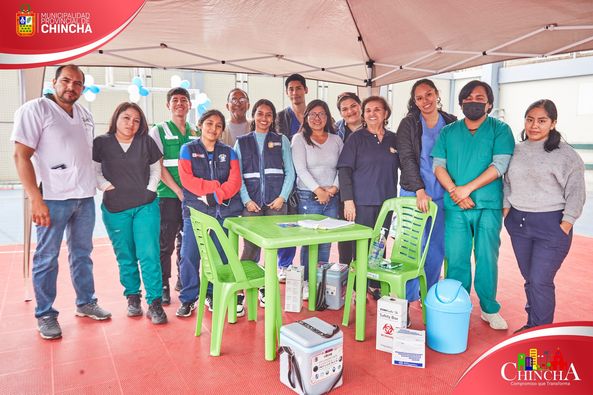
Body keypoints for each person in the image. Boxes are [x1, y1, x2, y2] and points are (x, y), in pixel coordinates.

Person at [12, 64, 111, 340]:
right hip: (52, 199)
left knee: (82, 254)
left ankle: (85, 302)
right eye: (66, 81)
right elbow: (21, 156)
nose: (72, 87)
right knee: (46, 257)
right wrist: (36, 199)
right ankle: (45, 313)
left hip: (83, 197)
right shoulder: (36, 110)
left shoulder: (84, 114)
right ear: (54, 82)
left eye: (78, 83)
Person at [432, 80, 515, 331]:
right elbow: (438, 165)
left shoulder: (500, 129)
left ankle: (489, 308)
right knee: (456, 258)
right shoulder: (448, 132)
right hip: (456, 206)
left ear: (489, 103)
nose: (473, 102)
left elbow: (499, 165)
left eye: (480, 98)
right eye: (468, 97)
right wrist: (455, 191)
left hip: (487, 205)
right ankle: (459, 304)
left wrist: (466, 189)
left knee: (487, 257)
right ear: (460, 103)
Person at [503, 99, 585, 333]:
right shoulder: (515, 151)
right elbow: (506, 183)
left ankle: (539, 333)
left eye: (541, 121)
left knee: (540, 281)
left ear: (553, 123)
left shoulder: (566, 155)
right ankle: (532, 324)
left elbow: (576, 192)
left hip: (551, 226)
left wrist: (566, 224)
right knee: (530, 279)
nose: (534, 125)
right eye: (530, 120)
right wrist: (507, 211)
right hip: (518, 223)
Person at [93, 102, 167, 324]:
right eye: (126, 118)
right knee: (125, 255)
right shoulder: (101, 143)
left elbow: (156, 167)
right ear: (116, 118)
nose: (131, 124)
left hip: (145, 206)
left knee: (149, 254)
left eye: (136, 120)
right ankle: (133, 297)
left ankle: (154, 303)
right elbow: (94, 169)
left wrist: (150, 189)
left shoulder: (146, 141)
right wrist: (105, 186)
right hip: (115, 209)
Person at [176, 110, 243, 318]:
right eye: (209, 124)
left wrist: (216, 195)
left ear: (222, 130)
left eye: (218, 125)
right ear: (201, 125)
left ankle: (213, 294)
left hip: (223, 212)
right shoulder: (188, 149)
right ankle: (188, 298)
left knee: (221, 257)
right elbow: (187, 180)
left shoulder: (230, 152)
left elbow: (235, 182)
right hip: (195, 212)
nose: (213, 129)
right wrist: (213, 186)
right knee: (189, 256)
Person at [396, 79, 457, 302]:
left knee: (436, 247)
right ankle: (408, 296)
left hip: (443, 194)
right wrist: (420, 191)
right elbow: (407, 159)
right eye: (419, 97)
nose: (425, 101)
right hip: (415, 193)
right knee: (412, 246)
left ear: (436, 94)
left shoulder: (451, 121)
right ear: (414, 101)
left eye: (429, 95)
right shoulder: (409, 123)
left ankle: (428, 293)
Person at [235, 99, 296, 307]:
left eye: (268, 114)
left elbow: (290, 172)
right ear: (254, 116)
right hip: (251, 204)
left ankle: (265, 288)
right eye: (260, 113)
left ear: (273, 118)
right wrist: (246, 200)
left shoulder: (282, 140)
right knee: (250, 248)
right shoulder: (242, 142)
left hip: (276, 205)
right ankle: (241, 289)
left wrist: (282, 197)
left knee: (272, 248)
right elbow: (237, 175)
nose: (264, 118)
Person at [337, 96, 399, 298]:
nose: (372, 114)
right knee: (360, 247)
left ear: (385, 113)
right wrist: (348, 201)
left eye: (377, 110)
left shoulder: (393, 139)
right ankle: (357, 286)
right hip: (360, 203)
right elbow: (344, 170)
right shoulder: (356, 138)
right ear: (364, 114)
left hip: (386, 204)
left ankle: (375, 283)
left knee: (379, 246)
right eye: (368, 110)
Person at [148, 87, 199, 305]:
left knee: (186, 242)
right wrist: (178, 191)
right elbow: (157, 164)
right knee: (165, 244)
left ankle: (183, 280)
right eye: (175, 100)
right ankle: (163, 285)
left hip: (192, 197)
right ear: (168, 105)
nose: (179, 103)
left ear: (189, 105)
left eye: (184, 100)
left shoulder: (196, 131)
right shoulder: (158, 131)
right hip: (167, 196)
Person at [292, 99, 343, 299]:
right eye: (312, 114)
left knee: (326, 242)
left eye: (321, 114)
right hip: (307, 196)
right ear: (306, 118)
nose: (317, 118)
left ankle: (320, 280)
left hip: (332, 196)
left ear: (328, 117)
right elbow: (300, 169)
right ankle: (306, 282)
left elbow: (342, 167)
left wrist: (334, 188)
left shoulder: (336, 140)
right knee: (309, 242)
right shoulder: (299, 139)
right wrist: (318, 190)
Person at [275, 74, 308, 279]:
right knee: (287, 225)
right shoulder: (281, 117)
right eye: (291, 89)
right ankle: (284, 265)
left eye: (298, 88)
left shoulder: (317, 114)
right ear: (287, 93)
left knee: (310, 226)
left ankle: (310, 268)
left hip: (311, 181)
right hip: (288, 179)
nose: (295, 92)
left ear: (306, 90)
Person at [334, 92, 363, 265]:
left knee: (366, 237)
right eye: (344, 109)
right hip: (343, 190)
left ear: (360, 106)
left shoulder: (373, 127)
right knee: (344, 236)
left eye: (353, 106)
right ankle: (344, 273)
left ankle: (366, 279)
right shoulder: (336, 132)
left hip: (366, 189)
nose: (350, 111)